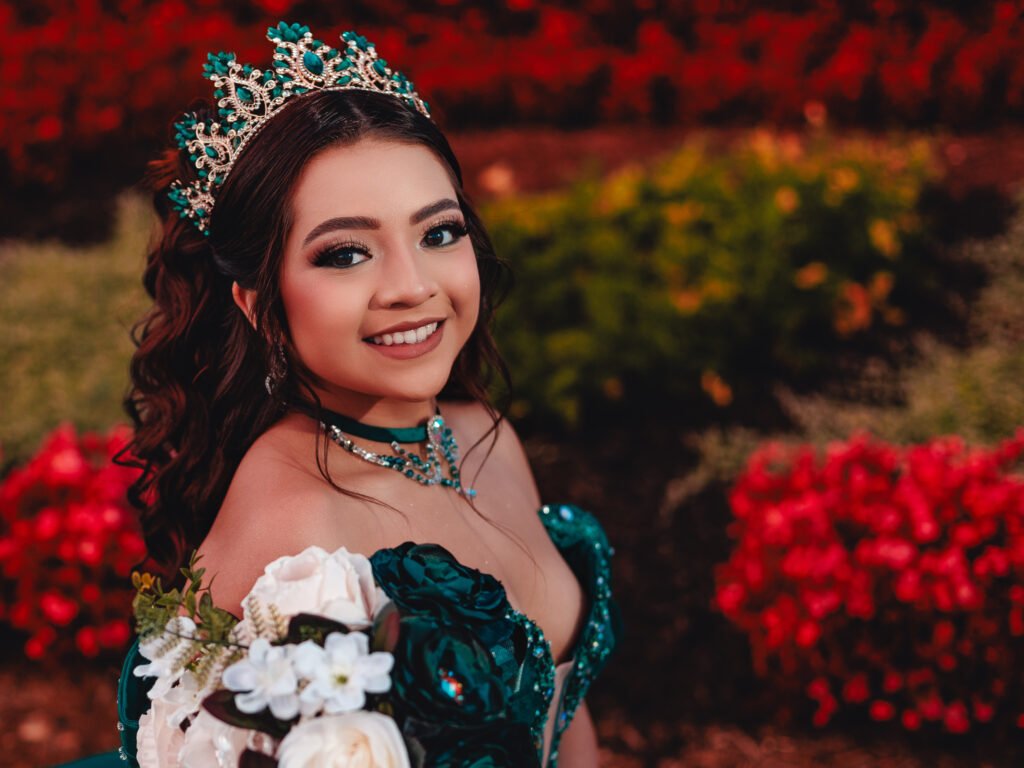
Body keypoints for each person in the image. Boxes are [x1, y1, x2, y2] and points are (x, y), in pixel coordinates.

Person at [67, 22, 619, 767]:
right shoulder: (296, 524)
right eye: (346, 253)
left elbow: (565, 713)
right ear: (258, 304)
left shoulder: (480, 434)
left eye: (438, 233)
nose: (411, 286)